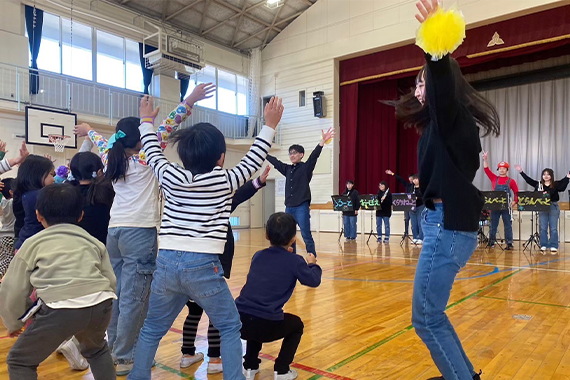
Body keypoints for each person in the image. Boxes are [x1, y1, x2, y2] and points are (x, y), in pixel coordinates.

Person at [126, 95, 282, 380]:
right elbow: (254, 158)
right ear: (221, 158)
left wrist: (146, 120)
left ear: (183, 157)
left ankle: (138, 376)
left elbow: (151, 150)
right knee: (229, 325)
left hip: (167, 263)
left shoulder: (170, 176)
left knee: (152, 327)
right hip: (204, 266)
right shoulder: (225, 180)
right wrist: (269, 125)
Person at [389, 0, 500, 379]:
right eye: (419, 82)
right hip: (445, 226)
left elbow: (440, 90)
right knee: (430, 315)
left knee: (425, 318)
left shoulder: (451, 116)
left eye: (423, 81)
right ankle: (462, 373)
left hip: (446, 229)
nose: (420, 89)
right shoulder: (442, 125)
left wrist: (436, 48)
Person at [75, 83, 215, 376]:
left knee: (119, 293)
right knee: (134, 299)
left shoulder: (110, 157)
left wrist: (88, 129)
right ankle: (126, 356)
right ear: (142, 139)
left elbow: (100, 139)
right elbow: (171, 123)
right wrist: (189, 99)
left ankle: (114, 348)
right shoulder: (144, 157)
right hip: (140, 233)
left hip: (115, 233)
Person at [0, 183, 117, 380]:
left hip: (60, 308)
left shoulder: (33, 243)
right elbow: (110, 279)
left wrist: (12, 322)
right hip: (101, 302)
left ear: (38, 215)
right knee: (97, 351)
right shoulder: (93, 242)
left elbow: (12, 288)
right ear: (80, 215)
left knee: (20, 360)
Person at [180, 167, 270, 373]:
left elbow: (237, 196)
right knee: (215, 313)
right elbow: (236, 197)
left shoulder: (186, 201)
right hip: (209, 267)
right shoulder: (215, 202)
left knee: (193, 311)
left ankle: (187, 354)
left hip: (187, 268)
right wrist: (256, 183)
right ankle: (214, 359)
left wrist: (257, 183)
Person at [236, 212, 322, 380]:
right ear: (293, 239)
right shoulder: (295, 261)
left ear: (267, 235)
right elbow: (313, 281)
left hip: (239, 319)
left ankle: (250, 366)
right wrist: (312, 265)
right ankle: (282, 370)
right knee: (296, 325)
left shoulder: (258, 255)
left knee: (255, 312)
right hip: (266, 325)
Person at [266, 128, 336, 256]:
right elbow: (276, 162)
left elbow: (314, 156)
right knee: (288, 236)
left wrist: (322, 142)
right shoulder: (287, 169)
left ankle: (312, 258)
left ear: (301, 155)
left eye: (295, 153)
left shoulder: (305, 168)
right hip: (289, 207)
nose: (292, 155)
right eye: (290, 153)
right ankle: (291, 258)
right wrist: (264, 153)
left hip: (301, 207)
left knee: (306, 235)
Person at [515, 165, 570, 253]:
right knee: (543, 227)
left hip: (553, 206)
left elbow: (562, 187)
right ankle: (543, 244)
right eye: (544, 174)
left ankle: (553, 245)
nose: (546, 176)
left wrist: (567, 177)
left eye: (548, 174)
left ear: (551, 176)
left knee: (553, 228)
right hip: (542, 207)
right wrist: (521, 172)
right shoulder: (539, 184)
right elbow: (529, 180)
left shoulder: (555, 184)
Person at [68, 151, 115, 244]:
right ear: (100, 172)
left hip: (73, 244)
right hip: (100, 245)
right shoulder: (106, 191)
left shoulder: (68, 192)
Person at [13, 155, 55, 251]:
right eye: (51, 174)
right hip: (32, 246)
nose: (53, 179)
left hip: (24, 243)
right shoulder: (36, 196)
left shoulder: (23, 194)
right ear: (37, 175)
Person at [482, 152, 518, 250]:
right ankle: (491, 242)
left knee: (508, 226)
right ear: (498, 170)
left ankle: (509, 243)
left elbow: (516, 192)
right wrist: (485, 159)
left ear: (507, 170)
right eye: (500, 168)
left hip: (506, 207)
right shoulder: (494, 178)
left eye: (504, 168)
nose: (502, 170)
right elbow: (486, 170)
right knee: (493, 224)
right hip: (495, 206)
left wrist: (515, 202)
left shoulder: (511, 181)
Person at [385, 170, 414, 237]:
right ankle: (406, 232)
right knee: (406, 219)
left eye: (412, 179)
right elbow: (400, 179)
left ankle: (416, 233)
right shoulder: (407, 185)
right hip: (407, 204)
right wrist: (392, 174)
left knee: (414, 220)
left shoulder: (417, 186)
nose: (411, 180)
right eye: (410, 179)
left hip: (414, 204)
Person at [0, 178, 16, 279]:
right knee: (9, 260)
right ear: (11, 192)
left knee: (2, 259)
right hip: (10, 236)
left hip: (2, 236)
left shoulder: (3, 202)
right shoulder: (12, 203)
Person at [408, 175, 424, 244]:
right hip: (412, 207)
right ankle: (415, 237)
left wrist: (418, 198)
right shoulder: (412, 187)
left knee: (420, 223)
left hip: (420, 206)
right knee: (413, 223)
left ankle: (421, 238)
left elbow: (424, 197)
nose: (415, 181)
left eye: (416, 179)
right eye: (414, 180)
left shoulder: (422, 187)